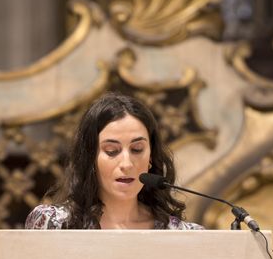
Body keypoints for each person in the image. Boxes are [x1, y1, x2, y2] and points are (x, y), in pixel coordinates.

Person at [25, 92, 203, 230]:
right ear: (91, 158)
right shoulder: (55, 225)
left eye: (137, 149)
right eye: (112, 151)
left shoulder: (181, 234)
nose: (127, 164)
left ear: (150, 158)